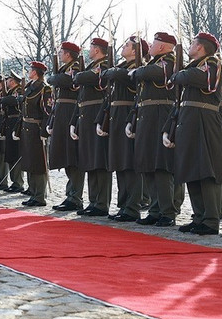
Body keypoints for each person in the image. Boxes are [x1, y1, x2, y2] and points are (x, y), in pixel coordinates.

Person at [167, 32, 222, 236]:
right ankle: (199, 216)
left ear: (201, 46)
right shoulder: (195, 65)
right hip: (190, 119)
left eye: (193, 43)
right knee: (191, 169)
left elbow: (204, 80)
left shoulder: (213, 62)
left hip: (205, 119)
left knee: (206, 169)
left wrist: (180, 74)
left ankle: (211, 219)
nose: (190, 46)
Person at [131, 32, 181, 227]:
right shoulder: (156, 61)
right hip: (147, 115)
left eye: (153, 43)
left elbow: (151, 73)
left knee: (161, 166)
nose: (150, 46)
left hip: (161, 113)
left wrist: (137, 71)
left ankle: (167, 211)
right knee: (148, 164)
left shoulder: (169, 61)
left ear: (162, 46)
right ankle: (155, 208)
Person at [99, 36, 148, 222]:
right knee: (120, 162)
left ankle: (133, 206)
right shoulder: (121, 68)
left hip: (128, 113)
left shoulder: (137, 68)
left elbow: (114, 75)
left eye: (127, 45)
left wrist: (112, 71)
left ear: (136, 51)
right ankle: (124, 204)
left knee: (130, 163)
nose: (123, 46)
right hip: (116, 115)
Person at [72, 38, 113, 216]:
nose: (89, 51)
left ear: (97, 50)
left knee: (99, 161)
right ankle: (93, 201)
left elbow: (82, 78)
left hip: (97, 114)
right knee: (89, 161)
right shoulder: (92, 67)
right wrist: (75, 122)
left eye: (91, 47)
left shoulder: (104, 65)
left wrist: (81, 76)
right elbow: (80, 94)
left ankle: (102, 203)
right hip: (85, 116)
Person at [47, 41, 85, 211]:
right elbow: (55, 79)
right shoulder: (66, 68)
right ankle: (71, 194)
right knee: (67, 156)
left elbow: (64, 80)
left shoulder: (76, 67)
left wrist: (56, 78)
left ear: (68, 54)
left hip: (70, 112)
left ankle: (75, 196)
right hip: (62, 113)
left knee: (73, 156)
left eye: (62, 52)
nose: (60, 54)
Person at [17, 62, 53, 207]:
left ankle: (39, 196)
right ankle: (33, 192)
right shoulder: (29, 88)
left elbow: (47, 112)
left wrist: (44, 131)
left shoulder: (44, 89)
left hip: (37, 129)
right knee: (30, 162)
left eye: (31, 70)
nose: (29, 72)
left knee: (38, 163)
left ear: (36, 72)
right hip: (27, 128)